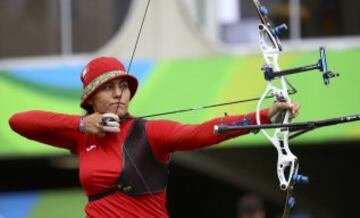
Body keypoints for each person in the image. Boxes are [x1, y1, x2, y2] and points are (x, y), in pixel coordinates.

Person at [8, 57, 300, 218]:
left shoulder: (148, 133)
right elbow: (19, 122)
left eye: (123, 86)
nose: (119, 93)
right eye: (109, 88)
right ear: (91, 99)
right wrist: (83, 125)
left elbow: (202, 133)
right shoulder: (81, 137)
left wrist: (263, 116)